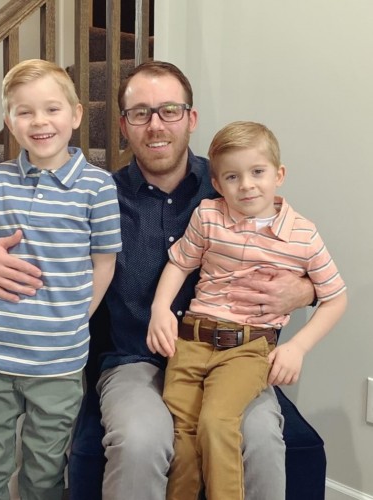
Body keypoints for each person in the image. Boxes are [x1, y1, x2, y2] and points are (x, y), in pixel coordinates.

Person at [0, 61, 316, 500]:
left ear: (191, 119)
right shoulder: (94, 195)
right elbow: (32, 255)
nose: (155, 126)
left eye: (169, 111)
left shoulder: (233, 182)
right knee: (139, 442)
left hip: (232, 358)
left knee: (261, 439)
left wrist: (306, 289)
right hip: (134, 362)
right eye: (140, 113)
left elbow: (298, 252)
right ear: (123, 126)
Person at [147, 121, 347, 500]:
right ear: (218, 184)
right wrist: (160, 308)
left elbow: (335, 297)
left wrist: (298, 347)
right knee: (183, 436)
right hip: (189, 341)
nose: (247, 185)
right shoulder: (208, 216)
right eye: (233, 177)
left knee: (217, 422)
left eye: (258, 172)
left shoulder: (302, 235)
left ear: (279, 174)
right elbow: (180, 264)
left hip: (247, 348)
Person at [0, 59, 121, 500]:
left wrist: (76, 315)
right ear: (9, 121)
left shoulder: (98, 187)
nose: (39, 121)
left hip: (60, 361)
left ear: (76, 115)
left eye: (51, 109)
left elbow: (104, 262)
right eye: (24, 112)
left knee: (46, 466)